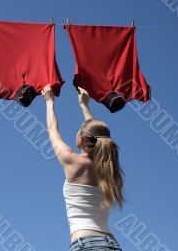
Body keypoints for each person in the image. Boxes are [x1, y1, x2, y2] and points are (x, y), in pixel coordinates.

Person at [42, 85, 124, 251]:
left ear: (81, 139)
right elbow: (98, 134)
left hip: (87, 244)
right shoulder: (109, 169)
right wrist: (84, 106)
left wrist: (49, 102)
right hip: (111, 243)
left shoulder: (74, 162)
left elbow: (52, 130)